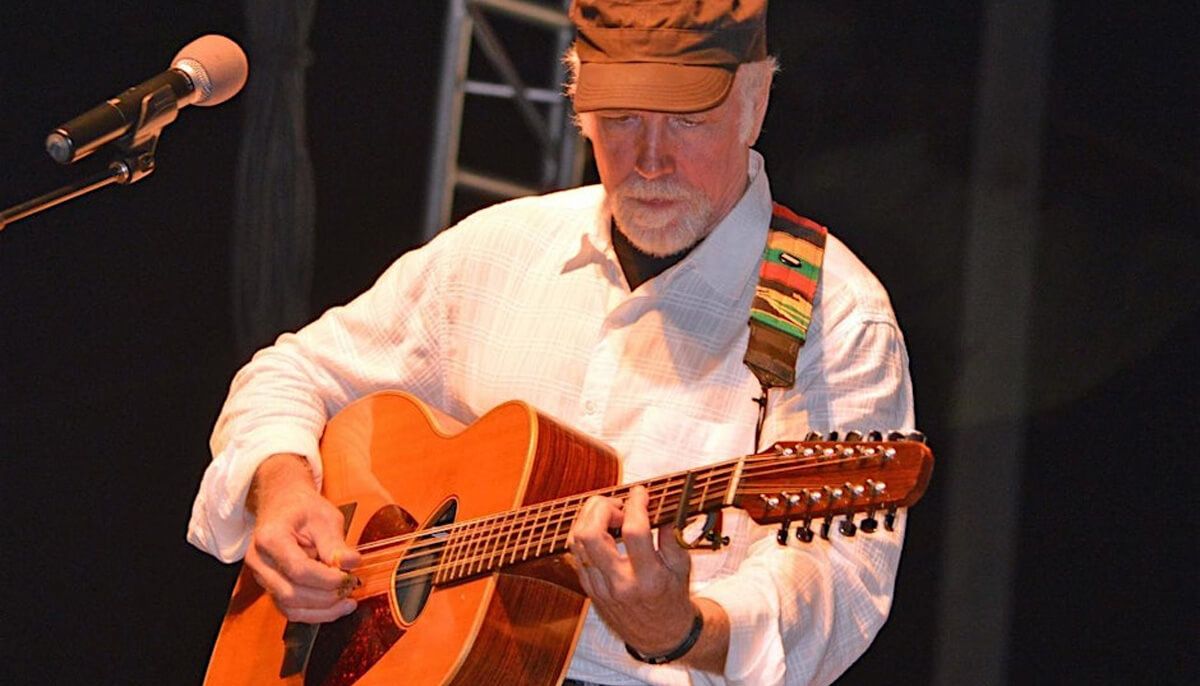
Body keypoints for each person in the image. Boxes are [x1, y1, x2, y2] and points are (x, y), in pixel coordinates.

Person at [188, 1, 915, 684]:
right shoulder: (498, 250)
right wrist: (281, 487)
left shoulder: (832, 314)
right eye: (621, 118)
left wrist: (685, 628)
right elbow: (291, 373)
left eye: (686, 121)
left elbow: (837, 584)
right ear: (579, 108)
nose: (651, 159)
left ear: (754, 102)